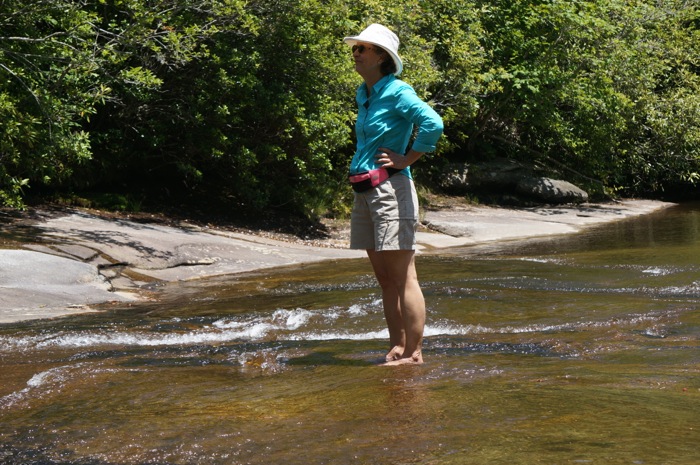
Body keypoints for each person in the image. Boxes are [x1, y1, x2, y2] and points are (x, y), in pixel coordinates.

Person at [343, 24, 443, 365]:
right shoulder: (364, 93)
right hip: (365, 190)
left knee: (403, 277)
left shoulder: (398, 91)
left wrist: (407, 158)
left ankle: (415, 353)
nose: (355, 53)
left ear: (382, 57)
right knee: (385, 279)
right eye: (355, 48)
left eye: (363, 48)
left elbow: (433, 123)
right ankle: (397, 347)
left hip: (391, 189)